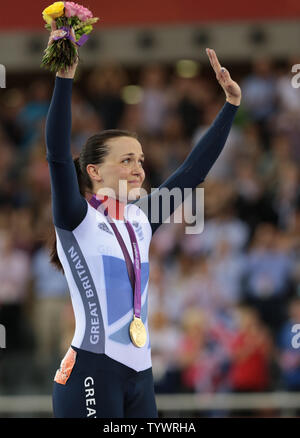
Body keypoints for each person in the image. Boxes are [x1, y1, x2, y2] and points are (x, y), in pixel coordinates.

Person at [44, 21, 241, 418]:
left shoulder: (139, 218)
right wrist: (65, 78)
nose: (138, 168)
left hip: (141, 373)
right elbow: (58, 155)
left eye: (141, 160)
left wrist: (230, 106)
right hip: (92, 373)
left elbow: (191, 173)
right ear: (94, 171)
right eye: (126, 160)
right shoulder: (76, 217)